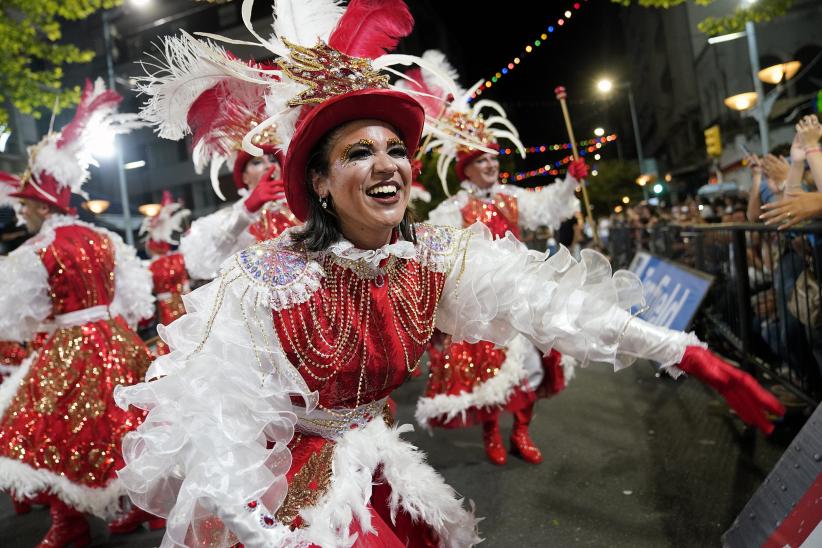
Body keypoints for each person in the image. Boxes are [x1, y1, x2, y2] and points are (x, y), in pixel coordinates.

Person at [115, 2, 784, 546]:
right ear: (318, 182)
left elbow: (549, 301)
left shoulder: (432, 254)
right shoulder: (264, 278)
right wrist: (253, 527)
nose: (388, 165)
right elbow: (210, 415)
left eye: (396, 149)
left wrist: (688, 355)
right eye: (358, 152)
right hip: (283, 486)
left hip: (365, 449)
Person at [398, 51, 583, 465]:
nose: (491, 164)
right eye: (482, 159)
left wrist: (570, 179)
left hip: (523, 290)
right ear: (467, 168)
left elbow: (550, 205)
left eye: (494, 157)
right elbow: (437, 252)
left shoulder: (511, 197)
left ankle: (520, 431)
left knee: (534, 367)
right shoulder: (453, 209)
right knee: (492, 373)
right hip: (484, 300)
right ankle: (491, 435)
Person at [0, 79, 160, 546]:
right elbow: (135, 302)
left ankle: (68, 524)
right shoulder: (106, 239)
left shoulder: (36, 249)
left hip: (69, 347)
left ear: (38, 205)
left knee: (51, 433)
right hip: (116, 340)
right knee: (133, 427)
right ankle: (146, 509)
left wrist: (52, 326)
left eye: (25, 206)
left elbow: (15, 319)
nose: (22, 214)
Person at [140, 54, 299, 281]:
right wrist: (245, 212)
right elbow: (201, 265)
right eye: (256, 161)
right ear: (243, 176)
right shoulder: (227, 220)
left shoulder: (304, 207)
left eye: (272, 159)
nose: (266, 165)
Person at [139, 191, 192, 356]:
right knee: (189, 335)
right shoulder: (179, 258)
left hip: (167, 308)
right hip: (185, 302)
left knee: (173, 341)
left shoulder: (152, 267)